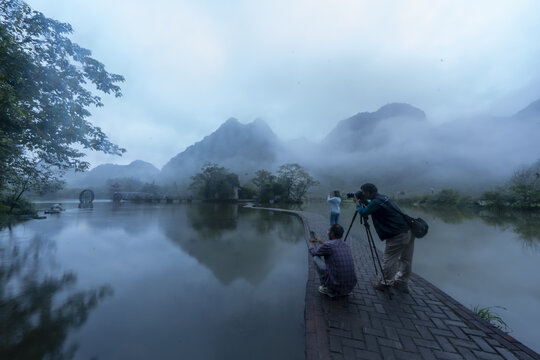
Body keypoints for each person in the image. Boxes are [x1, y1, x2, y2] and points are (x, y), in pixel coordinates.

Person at [354, 183, 413, 293]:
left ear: (368, 192)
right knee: (406, 259)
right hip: (407, 231)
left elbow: (363, 212)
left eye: (363, 192)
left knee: (390, 259)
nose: (362, 193)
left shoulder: (376, 202)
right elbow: (372, 207)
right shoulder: (383, 198)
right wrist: (363, 201)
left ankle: (386, 284)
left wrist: (357, 203)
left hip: (397, 234)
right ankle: (402, 283)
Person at [308, 224, 357, 298]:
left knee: (316, 258)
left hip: (336, 286)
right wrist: (321, 242)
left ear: (332, 233)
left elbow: (314, 253)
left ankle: (327, 288)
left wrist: (310, 244)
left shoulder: (328, 245)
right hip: (349, 288)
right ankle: (338, 288)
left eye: (329, 231)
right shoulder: (346, 245)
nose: (328, 232)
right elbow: (332, 246)